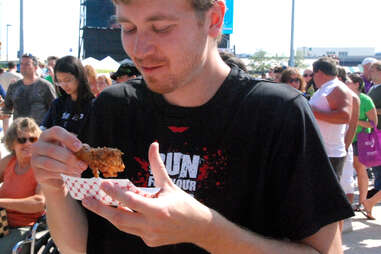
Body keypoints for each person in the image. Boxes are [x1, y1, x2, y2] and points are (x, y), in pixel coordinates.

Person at [31, 1, 354, 253]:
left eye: (161, 28)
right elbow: (77, 247)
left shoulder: (276, 112)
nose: (139, 49)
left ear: (213, 19)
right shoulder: (114, 106)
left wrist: (205, 231)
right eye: (128, 27)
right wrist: (53, 185)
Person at [0, 117, 45, 253]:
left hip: (23, 227)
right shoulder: (9, 161)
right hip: (2, 223)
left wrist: (2, 202)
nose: (28, 143)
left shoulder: (41, 166)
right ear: (12, 143)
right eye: (21, 140)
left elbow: (39, 203)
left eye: (33, 139)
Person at [309, 57, 357, 180]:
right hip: (322, 152)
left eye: (313, 74)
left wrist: (311, 113)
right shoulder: (326, 88)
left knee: (328, 196)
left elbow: (344, 116)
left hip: (330, 154)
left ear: (319, 73)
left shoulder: (337, 88)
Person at [345, 74, 377, 213]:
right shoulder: (344, 97)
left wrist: (355, 121)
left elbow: (373, 123)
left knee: (360, 171)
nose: (345, 83)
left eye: (348, 81)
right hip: (344, 138)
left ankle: (363, 202)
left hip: (360, 140)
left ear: (357, 84)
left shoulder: (365, 100)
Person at [1, 53, 57, 131]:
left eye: (27, 64)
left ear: (35, 67)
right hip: (19, 133)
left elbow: (54, 110)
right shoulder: (14, 86)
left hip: (39, 133)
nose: (23, 67)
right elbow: (7, 108)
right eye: (21, 64)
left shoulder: (45, 86)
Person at [41, 56, 94, 135]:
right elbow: (43, 128)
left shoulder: (93, 105)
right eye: (59, 81)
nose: (63, 85)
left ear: (79, 77)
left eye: (67, 80)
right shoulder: (57, 104)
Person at [364, 61, 381, 220]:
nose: (369, 72)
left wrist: (370, 111)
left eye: (372, 70)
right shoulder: (374, 88)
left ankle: (371, 201)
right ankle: (371, 201)